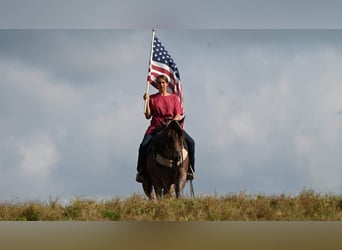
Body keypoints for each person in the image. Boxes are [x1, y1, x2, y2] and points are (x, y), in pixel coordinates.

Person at [136, 74, 195, 183]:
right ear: (157, 85)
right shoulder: (153, 98)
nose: (161, 85)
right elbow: (148, 115)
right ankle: (141, 171)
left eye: (163, 83)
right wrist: (147, 101)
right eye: (159, 83)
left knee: (191, 142)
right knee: (143, 145)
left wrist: (172, 122)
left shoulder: (174, 98)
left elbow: (178, 114)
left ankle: (190, 169)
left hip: (172, 126)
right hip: (156, 126)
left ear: (167, 84)